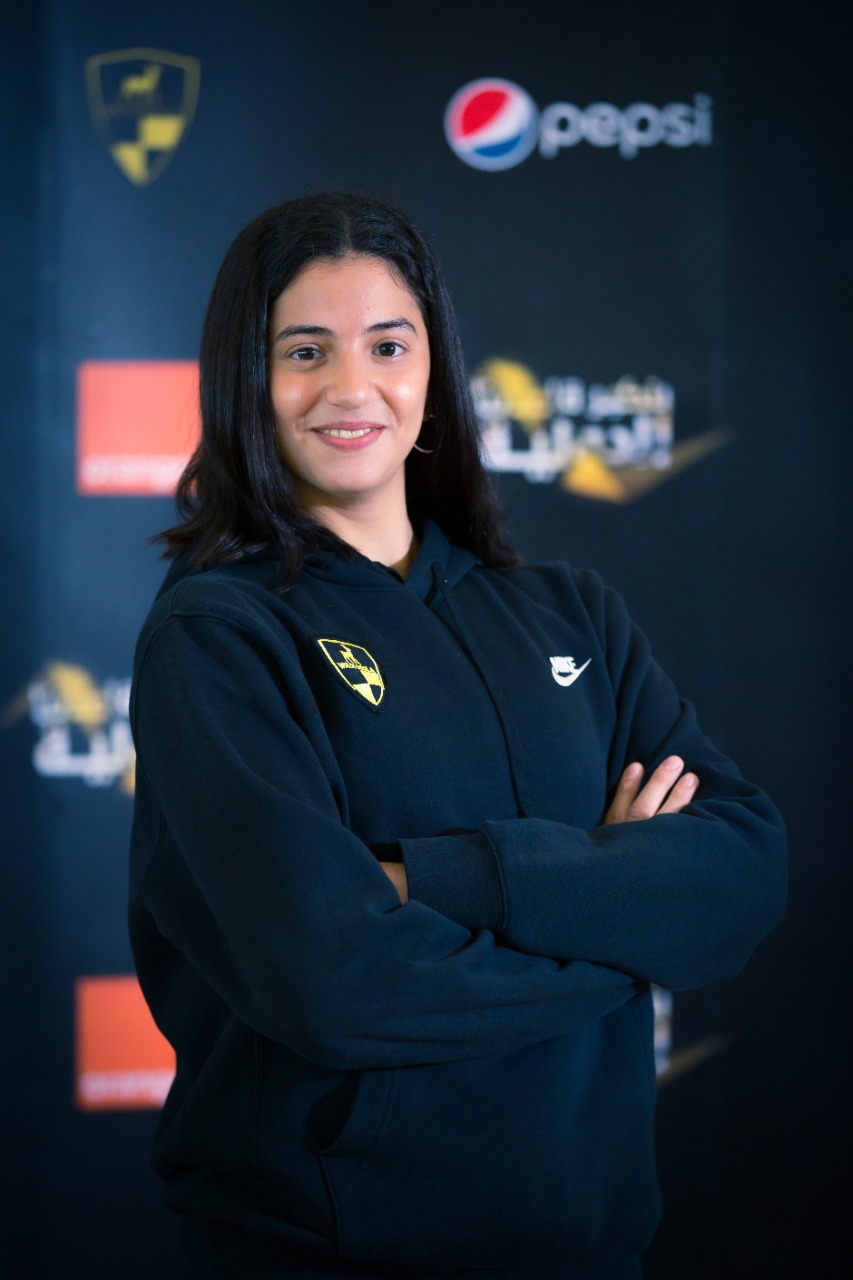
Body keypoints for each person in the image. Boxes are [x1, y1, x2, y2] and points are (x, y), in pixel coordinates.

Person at [128, 192, 786, 1280]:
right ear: (246, 378)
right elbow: (332, 978)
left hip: (590, 1248)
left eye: (388, 345)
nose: (352, 387)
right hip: (321, 1255)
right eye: (305, 351)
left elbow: (742, 870)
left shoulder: (571, 613)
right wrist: (627, 938)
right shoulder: (217, 634)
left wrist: (431, 880)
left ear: (434, 370)